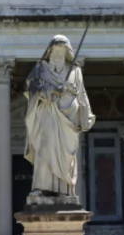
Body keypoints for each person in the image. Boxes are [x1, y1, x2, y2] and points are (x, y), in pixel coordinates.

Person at [23, 35, 95, 203]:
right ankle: (41, 188)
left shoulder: (75, 71)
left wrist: (86, 116)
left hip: (67, 120)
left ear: (67, 53)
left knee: (67, 156)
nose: (58, 55)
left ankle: (65, 190)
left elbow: (82, 94)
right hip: (47, 115)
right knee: (44, 150)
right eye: (55, 51)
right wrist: (54, 90)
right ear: (49, 51)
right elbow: (32, 90)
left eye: (62, 51)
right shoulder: (40, 68)